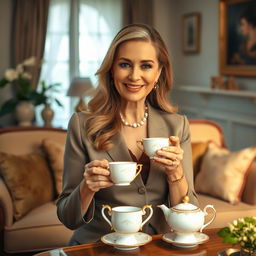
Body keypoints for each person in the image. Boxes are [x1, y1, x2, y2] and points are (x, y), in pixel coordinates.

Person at [57, 23, 198, 245]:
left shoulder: (177, 126)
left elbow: (190, 212)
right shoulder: (82, 124)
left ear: (159, 72)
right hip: (99, 245)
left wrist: (175, 173)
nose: (134, 76)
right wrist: (87, 187)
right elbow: (68, 217)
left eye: (146, 66)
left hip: (160, 246)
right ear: (112, 70)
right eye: (125, 64)